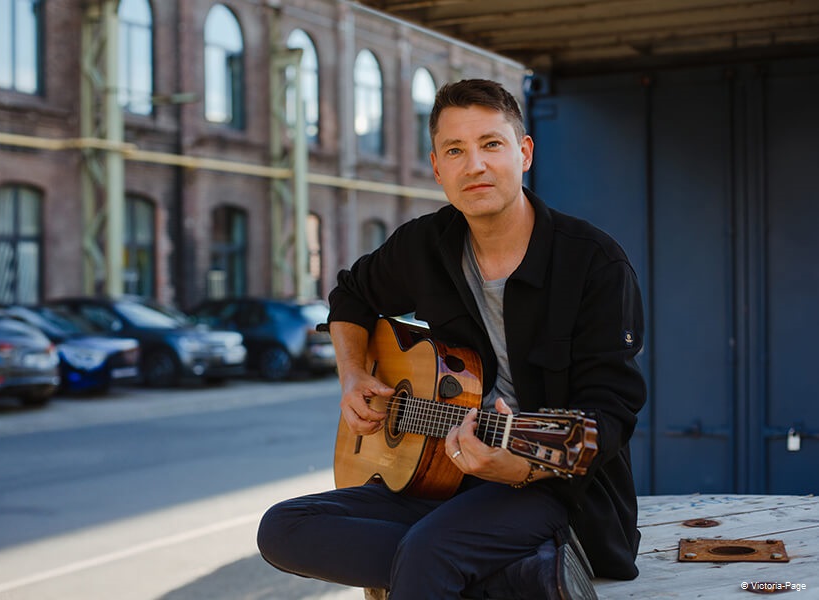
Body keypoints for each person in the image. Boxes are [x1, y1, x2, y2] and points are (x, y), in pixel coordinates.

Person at [257, 78, 646, 599]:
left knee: (429, 551)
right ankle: (516, 574)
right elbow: (349, 297)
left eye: (491, 144)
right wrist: (352, 376)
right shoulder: (424, 245)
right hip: (440, 479)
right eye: (455, 151)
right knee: (283, 528)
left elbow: (611, 412)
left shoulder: (593, 262)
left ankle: (460, 558)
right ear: (437, 167)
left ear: (524, 153)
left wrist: (521, 465)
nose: (475, 165)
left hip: (551, 488)